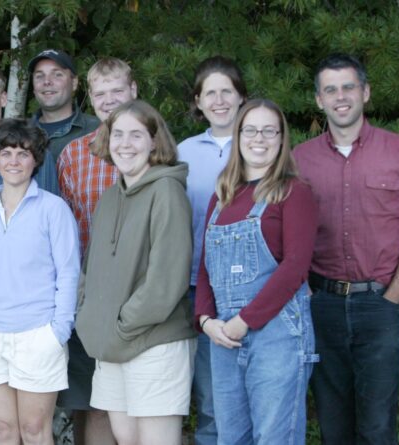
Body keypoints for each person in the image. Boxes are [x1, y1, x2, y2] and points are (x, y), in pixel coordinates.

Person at [295, 53, 399, 445]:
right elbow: (285, 234)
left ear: (365, 92)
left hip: (379, 305)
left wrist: (392, 298)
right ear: (319, 100)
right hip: (320, 305)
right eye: (330, 89)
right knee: (332, 425)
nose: (341, 97)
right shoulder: (298, 159)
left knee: (377, 427)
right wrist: (305, 292)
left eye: (348, 87)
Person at [195, 99, 318, 443]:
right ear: (238, 136)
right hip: (223, 337)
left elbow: (294, 268)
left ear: (281, 139)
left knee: (274, 437)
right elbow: (205, 267)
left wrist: (244, 320)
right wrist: (206, 321)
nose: (258, 138)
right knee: (230, 437)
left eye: (269, 130)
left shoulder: (294, 192)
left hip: (277, 336)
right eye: (250, 130)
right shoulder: (222, 196)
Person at [76, 100, 194, 445]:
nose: (125, 143)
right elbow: (90, 269)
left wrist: (121, 324)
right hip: (111, 344)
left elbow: (166, 281)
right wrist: (89, 317)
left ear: (155, 142)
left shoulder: (167, 191)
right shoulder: (110, 197)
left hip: (154, 342)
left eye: (136, 135)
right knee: (125, 439)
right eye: (118, 134)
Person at [0, 118, 79, 445]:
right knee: (5, 430)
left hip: (37, 334)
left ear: (35, 159)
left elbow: (68, 274)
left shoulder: (54, 210)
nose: (13, 161)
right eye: (6, 152)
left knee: (34, 431)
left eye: (23, 153)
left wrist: (58, 332)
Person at [55, 57, 135, 445]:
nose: (109, 100)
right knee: (95, 400)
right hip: (91, 295)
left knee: (139, 400)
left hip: (143, 292)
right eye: (100, 93)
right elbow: (66, 229)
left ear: (133, 92)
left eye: (117, 90)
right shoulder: (73, 154)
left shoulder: (156, 149)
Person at [176, 55, 248, 445]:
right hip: (196, 289)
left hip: (252, 290)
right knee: (210, 400)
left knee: (251, 397)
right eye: (210, 93)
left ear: (241, 97)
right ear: (199, 101)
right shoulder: (183, 152)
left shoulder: (261, 142)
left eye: (227, 91)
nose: (219, 100)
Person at [28, 49, 101, 156]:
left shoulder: (98, 130)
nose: (47, 81)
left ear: (74, 83)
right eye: (39, 76)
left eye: (57, 75)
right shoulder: (17, 133)